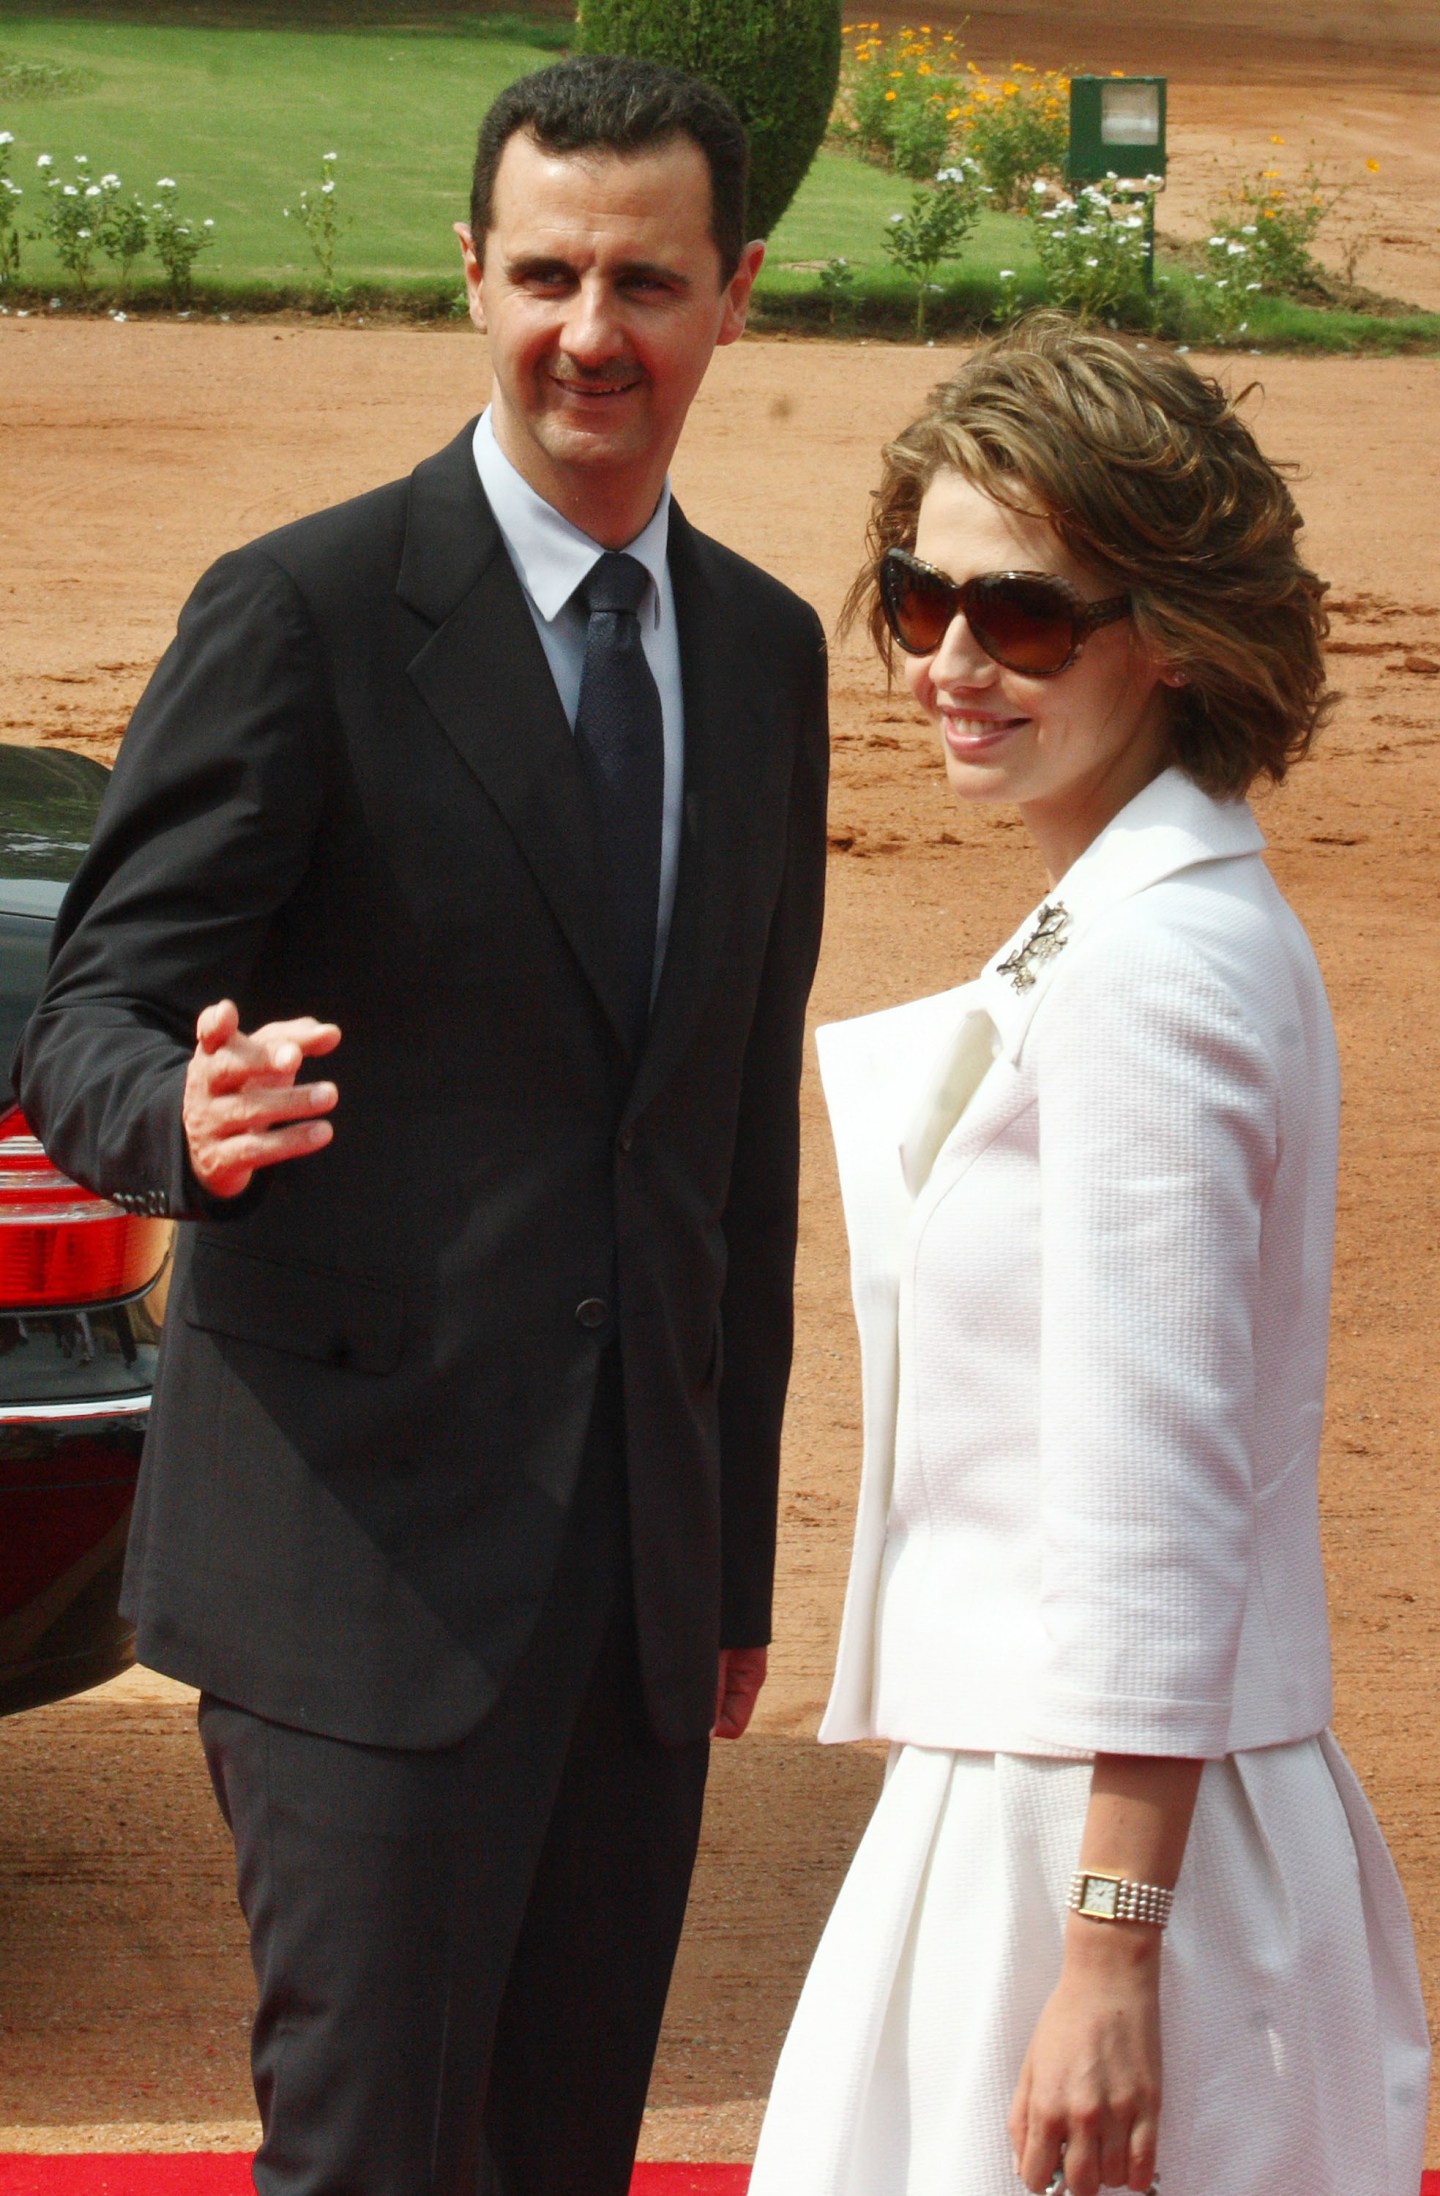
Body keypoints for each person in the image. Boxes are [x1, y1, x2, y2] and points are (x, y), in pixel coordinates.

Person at [15, 55, 828, 2196]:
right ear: (470, 275)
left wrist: (723, 1558)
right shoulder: (299, 614)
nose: (592, 329)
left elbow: (731, 1145)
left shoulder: (760, 654)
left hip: (632, 1589)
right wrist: (182, 1117)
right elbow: (83, 1012)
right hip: (354, 1573)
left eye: (644, 279)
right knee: (379, 2163)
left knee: (558, 2159)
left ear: (733, 295)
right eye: (547, 270)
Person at [749, 317, 1427, 2196]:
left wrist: (1107, 1953)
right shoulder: (1146, 910)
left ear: (1178, 635)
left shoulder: (1154, 970)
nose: (952, 660)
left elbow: (1158, 1489)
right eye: (916, 595)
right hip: (1057, 1801)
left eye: (1025, 615)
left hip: (1090, 1840)